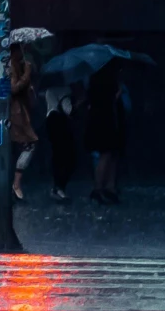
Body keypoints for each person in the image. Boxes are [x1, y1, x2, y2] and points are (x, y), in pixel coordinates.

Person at [86, 59, 129, 205]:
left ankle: (108, 187)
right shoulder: (104, 82)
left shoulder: (95, 80)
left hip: (107, 120)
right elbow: (107, 101)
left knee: (111, 154)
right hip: (107, 121)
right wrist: (118, 92)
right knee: (107, 153)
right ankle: (99, 188)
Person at [7, 47, 39, 201]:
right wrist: (27, 73)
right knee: (29, 144)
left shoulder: (16, 65)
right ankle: (16, 183)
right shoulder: (12, 66)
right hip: (15, 113)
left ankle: (13, 183)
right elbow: (13, 88)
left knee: (21, 146)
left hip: (20, 111)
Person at [44, 84, 81, 201]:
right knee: (67, 157)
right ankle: (59, 187)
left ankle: (57, 186)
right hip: (59, 123)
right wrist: (80, 101)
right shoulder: (64, 90)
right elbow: (68, 110)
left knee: (58, 155)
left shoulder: (49, 89)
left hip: (51, 120)